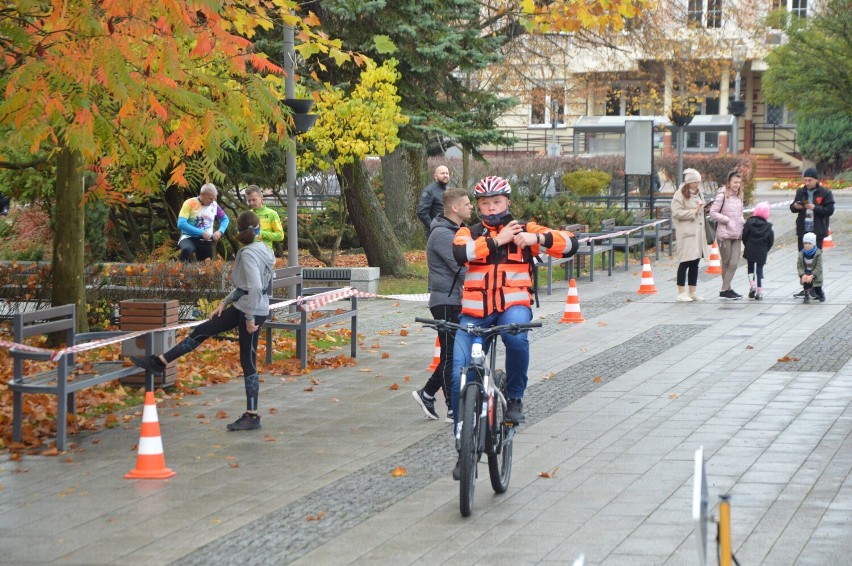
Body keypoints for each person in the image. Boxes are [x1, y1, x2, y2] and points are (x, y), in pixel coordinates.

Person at [450, 176, 578, 478]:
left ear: (507, 202)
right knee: (458, 371)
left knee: (516, 337)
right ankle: (462, 446)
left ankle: (515, 398)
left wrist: (539, 240)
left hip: (512, 308)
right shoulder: (469, 232)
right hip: (474, 314)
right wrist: (498, 240)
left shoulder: (526, 230)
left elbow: (571, 244)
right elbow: (461, 254)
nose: (491, 207)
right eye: (484, 203)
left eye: (497, 202)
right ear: (478, 206)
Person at [132, 211, 276, 431]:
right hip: (245, 306)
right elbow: (247, 286)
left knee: (248, 360)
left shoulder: (247, 254)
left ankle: (252, 415)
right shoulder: (264, 249)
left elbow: (256, 287)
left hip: (252, 311)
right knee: (204, 329)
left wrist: (249, 319)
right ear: (257, 229)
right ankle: (159, 363)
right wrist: (223, 303)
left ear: (239, 231)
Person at [412, 188, 473, 423]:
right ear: (454, 208)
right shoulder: (443, 235)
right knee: (450, 357)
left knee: (451, 354)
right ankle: (451, 407)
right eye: (467, 204)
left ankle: (427, 393)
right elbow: (461, 268)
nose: (471, 207)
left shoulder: (454, 231)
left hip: (453, 300)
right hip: (445, 301)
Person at [670, 168, 708, 302]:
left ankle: (693, 291)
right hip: (686, 233)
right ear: (689, 183)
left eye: (698, 182)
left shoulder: (699, 193)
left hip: (698, 233)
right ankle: (681, 293)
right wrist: (694, 211)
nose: (697, 185)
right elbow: (676, 213)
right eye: (695, 182)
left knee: (695, 262)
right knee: (685, 261)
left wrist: (705, 208)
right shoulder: (679, 194)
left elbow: (700, 211)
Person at [709, 171, 745, 299]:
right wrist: (727, 220)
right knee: (726, 261)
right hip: (724, 234)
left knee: (734, 262)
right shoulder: (722, 195)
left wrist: (742, 221)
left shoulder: (740, 196)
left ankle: (725, 288)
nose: (737, 185)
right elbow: (712, 212)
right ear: (729, 182)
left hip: (737, 233)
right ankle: (726, 289)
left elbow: (740, 213)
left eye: (739, 182)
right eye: (735, 182)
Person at [177, 183, 230, 262]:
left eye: (214, 199)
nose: (212, 201)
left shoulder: (214, 205)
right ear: (202, 195)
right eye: (210, 198)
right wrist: (201, 232)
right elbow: (181, 223)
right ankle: (179, 271)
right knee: (187, 250)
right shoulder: (190, 203)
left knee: (206, 266)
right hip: (188, 237)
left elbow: (225, 219)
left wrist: (220, 231)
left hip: (206, 241)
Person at [790, 168, 835, 251]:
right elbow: (792, 207)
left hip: (817, 230)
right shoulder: (801, 191)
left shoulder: (825, 192)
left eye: (810, 180)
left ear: (816, 180)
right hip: (803, 229)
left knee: (815, 257)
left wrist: (814, 208)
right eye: (805, 180)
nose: (807, 183)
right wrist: (795, 206)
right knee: (802, 256)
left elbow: (829, 210)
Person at [742, 201, 775, 300]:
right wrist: (766, 249)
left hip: (750, 248)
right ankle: (760, 291)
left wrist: (746, 244)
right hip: (762, 250)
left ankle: (752, 285)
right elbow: (771, 240)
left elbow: (744, 236)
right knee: (759, 270)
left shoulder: (749, 223)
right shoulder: (768, 227)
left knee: (750, 267)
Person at [244, 185, 284, 253]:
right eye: (249, 200)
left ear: (261, 198)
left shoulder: (272, 214)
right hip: (250, 253)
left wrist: (261, 234)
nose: (251, 203)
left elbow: (280, 236)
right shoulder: (247, 215)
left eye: (254, 199)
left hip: (266, 254)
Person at [416, 165, 450, 236]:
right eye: (442, 173)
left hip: (448, 229)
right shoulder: (429, 191)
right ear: (435, 176)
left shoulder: (448, 190)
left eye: (447, 173)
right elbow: (421, 212)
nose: (445, 175)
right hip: (435, 233)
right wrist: (433, 227)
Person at [797, 232, 825, 303]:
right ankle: (806, 296)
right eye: (805, 243)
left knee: (817, 288)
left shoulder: (818, 253)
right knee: (806, 283)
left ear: (814, 244)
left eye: (809, 243)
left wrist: (812, 275)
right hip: (806, 273)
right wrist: (802, 274)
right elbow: (799, 266)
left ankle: (821, 295)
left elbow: (819, 267)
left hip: (815, 274)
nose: (807, 245)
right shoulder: (802, 253)